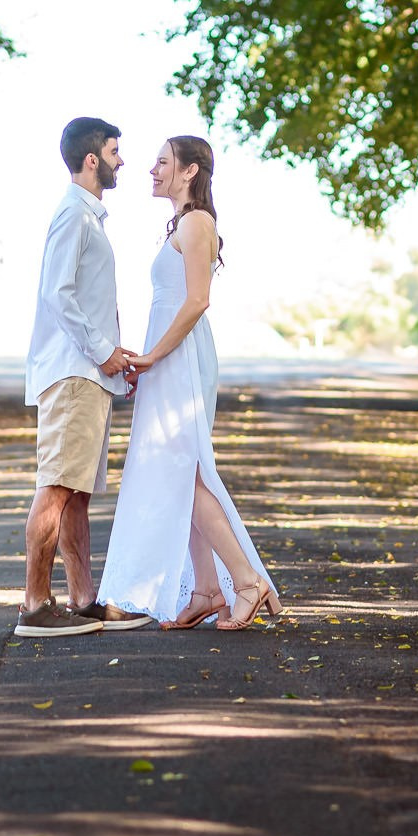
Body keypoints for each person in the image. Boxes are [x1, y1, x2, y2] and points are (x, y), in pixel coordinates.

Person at [98, 136, 282, 631]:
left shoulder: (198, 222)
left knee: (186, 472)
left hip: (180, 360)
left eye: (162, 162)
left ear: (190, 171)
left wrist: (154, 355)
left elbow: (198, 301)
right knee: (184, 470)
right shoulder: (181, 225)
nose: (151, 170)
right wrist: (149, 357)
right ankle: (205, 589)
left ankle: (246, 583)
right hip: (167, 361)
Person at [16, 117, 157, 637]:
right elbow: (59, 294)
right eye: (116, 152)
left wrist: (114, 358)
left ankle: (83, 599)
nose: (123, 161)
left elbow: (87, 304)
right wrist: (103, 354)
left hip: (90, 375)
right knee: (56, 487)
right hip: (74, 374)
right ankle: (35, 604)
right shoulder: (73, 214)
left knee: (77, 493)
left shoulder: (90, 219)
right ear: (92, 159)